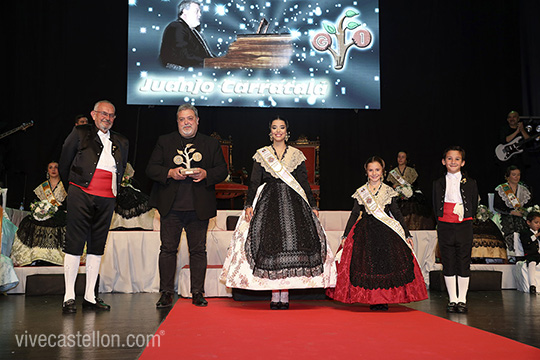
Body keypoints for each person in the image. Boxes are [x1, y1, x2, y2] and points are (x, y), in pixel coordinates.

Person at [220, 117, 336, 309]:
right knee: (272, 246)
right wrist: (249, 204)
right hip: (269, 201)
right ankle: (275, 294)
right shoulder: (262, 154)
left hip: (293, 202)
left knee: (289, 247)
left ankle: (286, 293)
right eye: (274, 128)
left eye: (281, 127)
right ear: (270, 131)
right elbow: (254, 181)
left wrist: (313, 205)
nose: (278, 131)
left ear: (287, 131)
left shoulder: (296, 154)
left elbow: (304, 182)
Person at [146, 103, 227, 308]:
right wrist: (170, 173)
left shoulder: (210, 144)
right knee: (167, 250)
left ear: (197, 120)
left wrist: (207, 174)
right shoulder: (165, 141)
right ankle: (165, 293)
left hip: (198, 208)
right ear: (177, 122)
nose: (186, 123)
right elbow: (151, 169)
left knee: (198, 251)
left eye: (190, 119)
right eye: (182, 119)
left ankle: (198, 292)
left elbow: (222, 170)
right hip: (170, 208)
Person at [327, 156, 427, 310]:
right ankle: (372, 299)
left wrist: (407, 235)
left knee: (385, 266)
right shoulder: (361, 192)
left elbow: (397, 214)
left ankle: (383, 299)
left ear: (383, 171)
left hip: (386, 233)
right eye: (371, 170)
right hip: (365, 232)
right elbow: (354, 214)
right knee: (367, 266)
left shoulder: (388, 191)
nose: (374, 173)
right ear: (366, 172)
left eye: (377, 170)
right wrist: (345, 236)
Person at [58, 100, 129, 314]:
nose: (107, 118)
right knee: (75, 244)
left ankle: (90, 296)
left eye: (111, 115)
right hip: (80, 193)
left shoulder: (122, 141)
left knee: (97, 246)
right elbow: (64, 162)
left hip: (107, 198)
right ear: (94, 114)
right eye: (103, 114)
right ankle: (69, 296)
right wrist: (74, 189)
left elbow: (122, 168)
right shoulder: (80, 133)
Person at [433, 146, 478, 313]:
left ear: (463, 162)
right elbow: (435, 204)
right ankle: (452, 299)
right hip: (445, 224)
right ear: (444, 162)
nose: (453, 162)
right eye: (449, 159)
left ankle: (462, 299)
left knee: (463, 260)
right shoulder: (438, 183)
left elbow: (473, 204)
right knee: (448, 260)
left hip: (464, 224)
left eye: (457, 159)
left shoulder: (471, 183)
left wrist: (464, 214)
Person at [10, 161, 67, 266]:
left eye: (56, 167)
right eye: (51, 167)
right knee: (30, 223)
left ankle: (56, 257)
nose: (53, 169)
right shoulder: (42, 187)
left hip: (59, 214)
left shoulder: (65, 187)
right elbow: (36, 202)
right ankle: (34, 256)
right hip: (43, 214)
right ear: (47, 171)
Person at [386, 151, 435, 230]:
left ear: (406, 159)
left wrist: (408, 189)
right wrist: (394, 186)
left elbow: (415, 185)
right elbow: (389, 185)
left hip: (410, 196)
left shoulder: (411, 171)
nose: (400, 159)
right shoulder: (393, 172)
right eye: (399, 157)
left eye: (403, 157)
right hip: (396, 195)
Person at [159, 0, 214, 69]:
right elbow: (184, 55)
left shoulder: (192, 31)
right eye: (196, 11)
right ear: (185, 11)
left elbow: (205, 54)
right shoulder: (177, 27)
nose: (200, 15)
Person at [494, 165, 532, 260]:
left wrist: (523, 212)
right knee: (510, 224)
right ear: (507, 176)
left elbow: (528, 206)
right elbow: (497, 207)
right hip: (505, 215)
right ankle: (510, 253)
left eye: (518, 175)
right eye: (514, 175)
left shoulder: (524, 190)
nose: (517, 177)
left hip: (521, 216)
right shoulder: (501, 189)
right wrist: (511, 212)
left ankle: (523, 254)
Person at [519, 211, 540, 294]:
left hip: (538, 254)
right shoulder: (525, 233)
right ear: (528, 222)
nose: (538, 225)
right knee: (532, 263)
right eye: (536, 222)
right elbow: (526, 242)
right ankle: (532, 285)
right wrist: (536, 236)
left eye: (539, 223)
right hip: (531, 254)